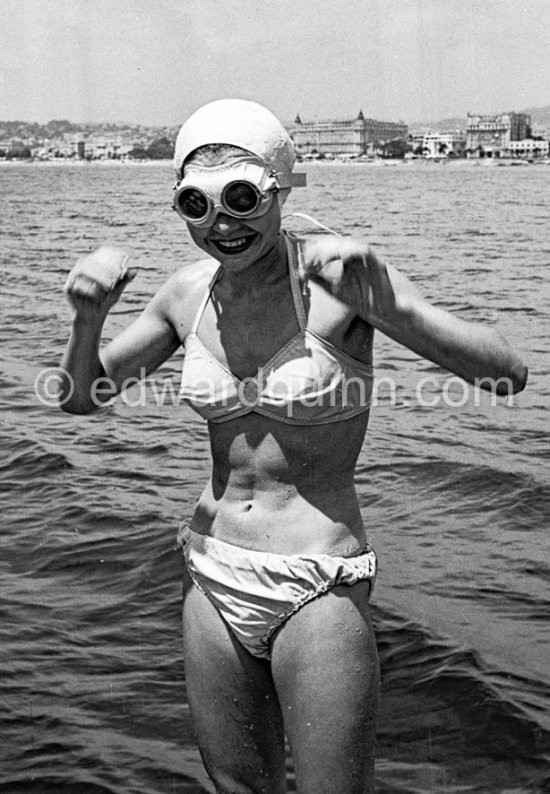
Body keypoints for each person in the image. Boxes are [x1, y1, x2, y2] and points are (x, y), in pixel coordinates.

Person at [59, 98, 528, 794]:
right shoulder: (185, 295)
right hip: (212, 572)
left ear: (280, 189)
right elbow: (80, 396)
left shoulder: (339, 281)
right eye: (199, 205)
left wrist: (392, 309)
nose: (224, 224)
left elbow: (506, 374)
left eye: (243, 199)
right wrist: (88, 318)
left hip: (317, 583)